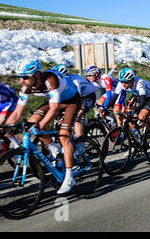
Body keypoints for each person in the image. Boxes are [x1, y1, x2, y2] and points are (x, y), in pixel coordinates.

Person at [6, 59, 82, 194]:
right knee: (31, 123)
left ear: (36, 75)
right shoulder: (25, 87)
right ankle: (55, 150)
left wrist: (41, 125)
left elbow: (54, 108)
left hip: (72, 101)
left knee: (63, 135)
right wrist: (4, 127)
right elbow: (18, 111)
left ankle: (70, 177)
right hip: (54, 101)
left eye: (24, 77)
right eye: (19, 77)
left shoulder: (50, 80)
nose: (21, 81)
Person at [52, 64, 97, 154]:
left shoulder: (75, 81)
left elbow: (77, 101)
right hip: (73, 97)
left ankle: (81, 145)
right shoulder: (60, 83)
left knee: (77, 115)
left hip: (87, 96)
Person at [113, 68, 150, 147]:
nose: (123, 84)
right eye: (121, 82)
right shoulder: (121, 83)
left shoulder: (139, 83)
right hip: (139, 96)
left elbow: (142, 101)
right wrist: (104, 108)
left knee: (142, 116)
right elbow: (114, 97)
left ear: (131, 80)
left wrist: (134, 110)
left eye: (126, 82)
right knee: (129, 119)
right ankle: (137, 142)